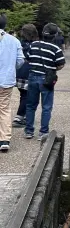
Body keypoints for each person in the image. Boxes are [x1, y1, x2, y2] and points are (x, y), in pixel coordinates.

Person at [24, 23, 65, 142]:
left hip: (32, 76)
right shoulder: (55, 49)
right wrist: (52, 69)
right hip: (46, 79)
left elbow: (28, 59)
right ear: (55, 35)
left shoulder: (34, 45)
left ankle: (29, 131)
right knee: (46, 107)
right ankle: (43, 132)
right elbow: (61, 64)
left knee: (31, 105)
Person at [0, 13, 25, 152]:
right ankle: (4, 139)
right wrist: (10, 67)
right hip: (6, 80)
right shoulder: (14, 40)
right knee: (4, 108)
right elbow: (20, 60)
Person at [13, 23, 38, 128]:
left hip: (18, 73)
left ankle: (23, 116)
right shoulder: (34, 45)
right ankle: (19, 117)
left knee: (23, 95)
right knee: (27, 96)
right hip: (28, 73)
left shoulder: (19, 43)